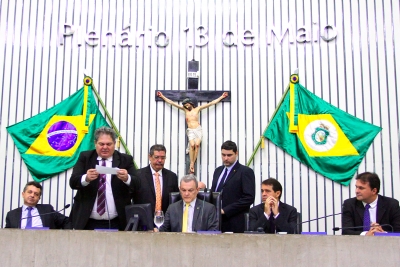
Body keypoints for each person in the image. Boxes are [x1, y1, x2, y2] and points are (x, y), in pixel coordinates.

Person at [69, 126, 140, 230]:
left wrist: (127, 178)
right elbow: (73, 182)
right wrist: (86, 178)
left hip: (117, 221)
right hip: (87, 221)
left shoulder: (125, 159)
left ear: (114, 144)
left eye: (109, 144)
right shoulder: (85, 157)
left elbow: (138, 183)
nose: (105, 147)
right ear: (95, 143)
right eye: (101, 144)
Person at [157, 91, 228, 173]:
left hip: (198, 129)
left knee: (197, 145)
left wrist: (221, 97)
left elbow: (211, 103)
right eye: (185, 105)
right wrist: (162, 96)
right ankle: (191, 162)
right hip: (190, 130)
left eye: (187, 104)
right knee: (192, 144)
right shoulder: (185, 110)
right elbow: (172, 103)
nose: (186, 106)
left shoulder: (197, 109)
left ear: (190, 103)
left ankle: (192, 163)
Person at [211, 140, 255, 233]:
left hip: (235, 221)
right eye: (223, 155)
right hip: (216, 221)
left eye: (229, 155)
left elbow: (248, 198)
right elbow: (214, 192)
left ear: (236, 153)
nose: (225, 158)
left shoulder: (245, 171)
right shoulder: (218, 171)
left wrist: (225, 210)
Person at [132, 144, 179, 214]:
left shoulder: (172, 177)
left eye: (163, 158)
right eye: (156, 157)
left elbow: (176, 201)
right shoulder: (138, 175)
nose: (160, 160)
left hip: (166, 220)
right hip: (144, 220)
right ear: (150, 157)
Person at [5, 181, 71, 229]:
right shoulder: (11, 215)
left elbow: (66, 221)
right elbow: (6, 235)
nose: (32, 195)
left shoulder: (47, 210)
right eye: (30, 192)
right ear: (23, 194)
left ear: (39, 198)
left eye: (36, 194)